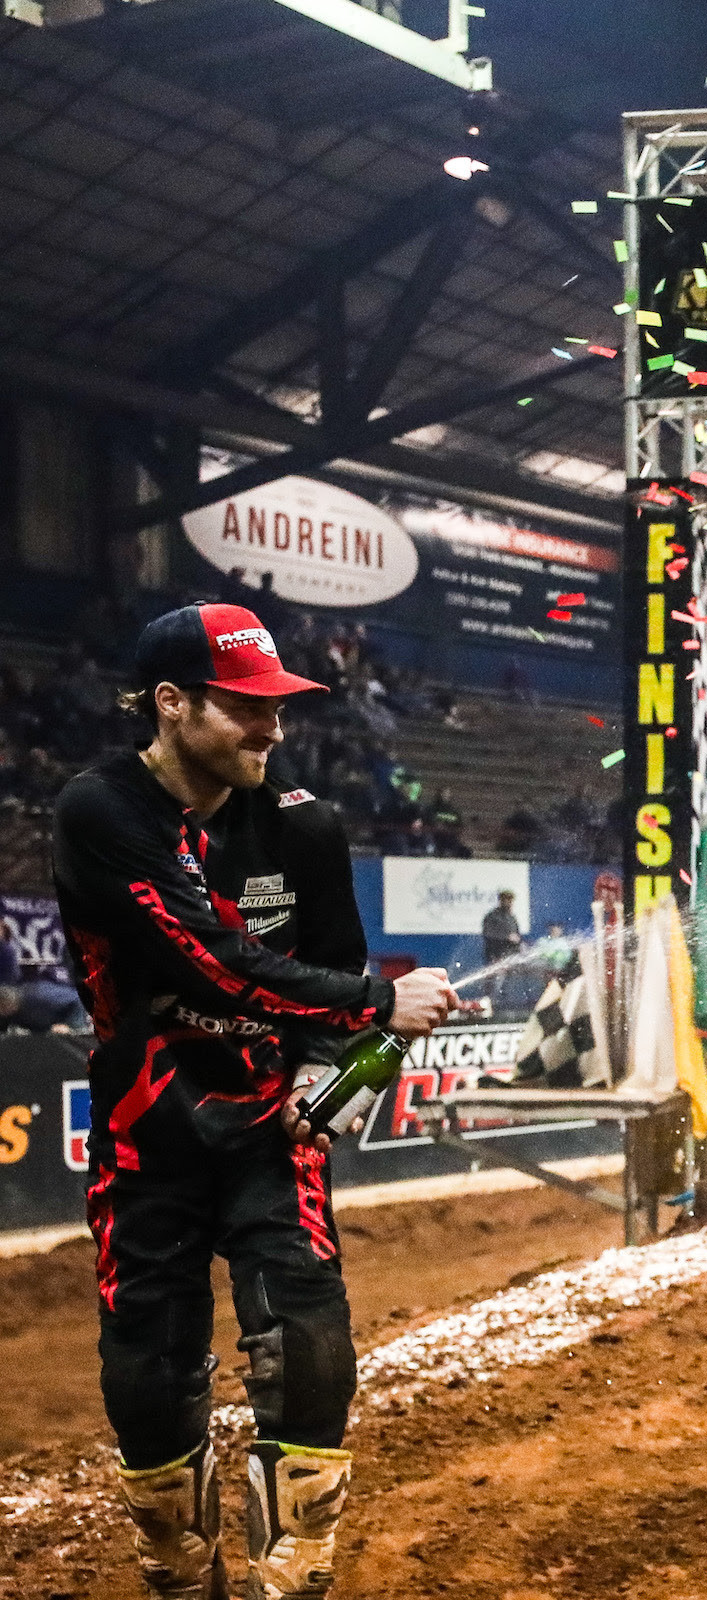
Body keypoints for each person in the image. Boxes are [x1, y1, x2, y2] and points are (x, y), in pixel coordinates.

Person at [53, 604, 457, 1600]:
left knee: (310, 1348)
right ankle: (182, 1581)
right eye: (246, 707)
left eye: (278, 706)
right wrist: (376, 1004)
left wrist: (337, 1079)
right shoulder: (101, 810)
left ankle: (292, 1586)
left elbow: (339, 995)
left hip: (276, 1136)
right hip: (147, 1136)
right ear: (171, 703)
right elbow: (221, 962)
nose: (271, 727)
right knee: (150, 1373)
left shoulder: (306, 827)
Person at [481, 890, 522, 969]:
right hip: (496, 955)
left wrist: (518, 944)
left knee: (509, 979)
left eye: (511, 900)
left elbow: (516, 935)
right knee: (497, 979)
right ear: (501, 901)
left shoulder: (511, 917)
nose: (509, 903)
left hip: (511, 956)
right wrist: (507, 937)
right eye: (507, 900)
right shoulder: (492, 916)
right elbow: (488, 933)